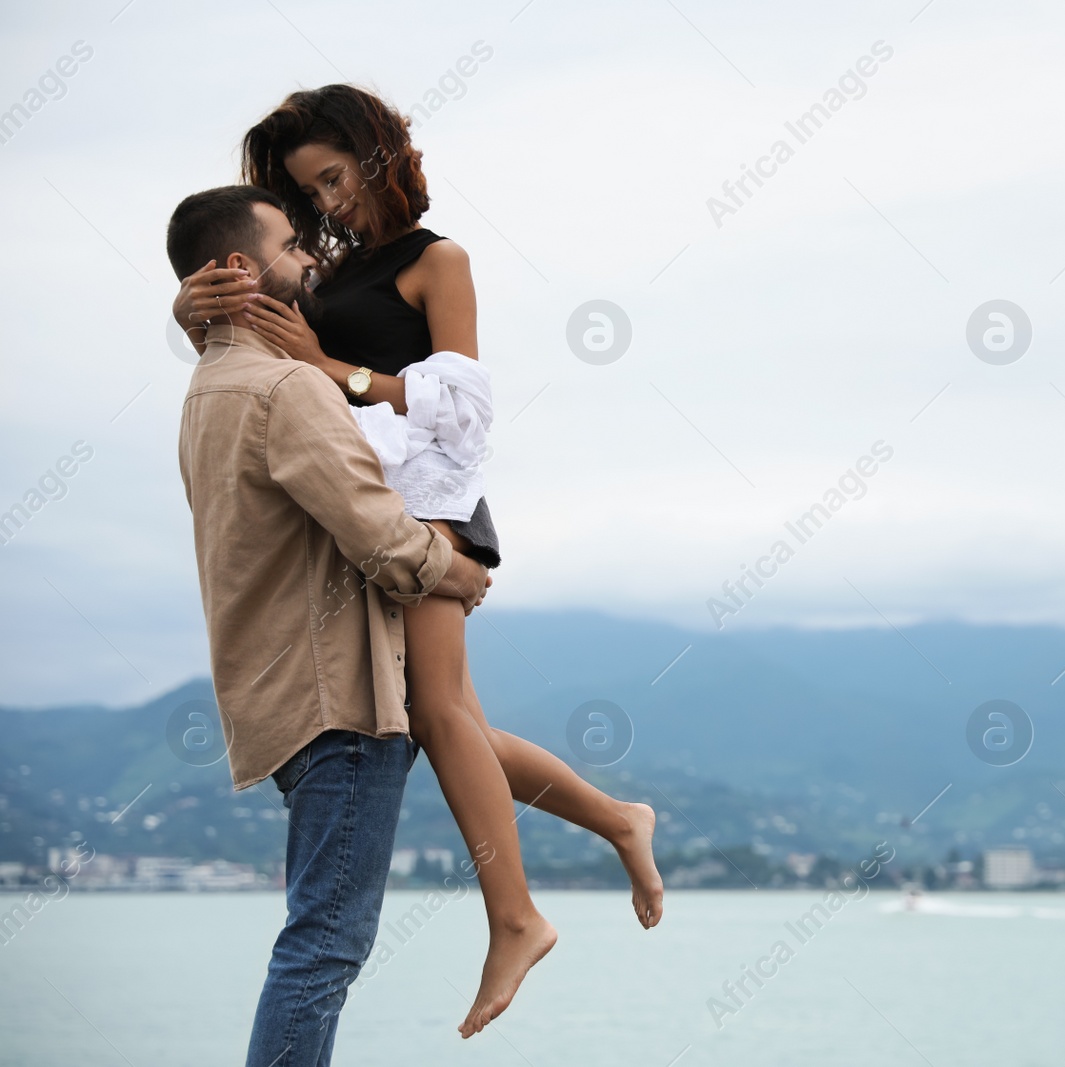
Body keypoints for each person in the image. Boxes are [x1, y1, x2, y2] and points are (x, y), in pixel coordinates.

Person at [171, 84, 664, 1041]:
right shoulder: (316, 270)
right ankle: (618, 820)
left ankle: (515, 918)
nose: (328, 204)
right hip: (379, 511)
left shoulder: (441, 260)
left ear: (379, 154)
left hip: (433, 506)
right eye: (309, 194)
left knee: (437, 714)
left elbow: (464, 412)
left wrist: (334, 367)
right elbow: (244, 325)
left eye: (334, 177)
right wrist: (189, 301)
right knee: (462, 723)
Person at [169, 184, 491, 1066]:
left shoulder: (207, 388)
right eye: (290, 240)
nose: (311, 254)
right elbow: (383, 538)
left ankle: (615, 825)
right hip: (338, 698)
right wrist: (460, 571)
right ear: (243, 267)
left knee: (317, 939)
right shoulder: (284, 388)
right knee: (326, 946)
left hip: (273, 695)